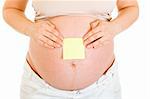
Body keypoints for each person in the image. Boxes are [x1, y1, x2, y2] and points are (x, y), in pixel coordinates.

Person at [2, 0, 139, 99]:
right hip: (41, 89)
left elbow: (130, 7)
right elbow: (11, 9)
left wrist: (114, 27)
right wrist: (30, 28)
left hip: (101, 88)